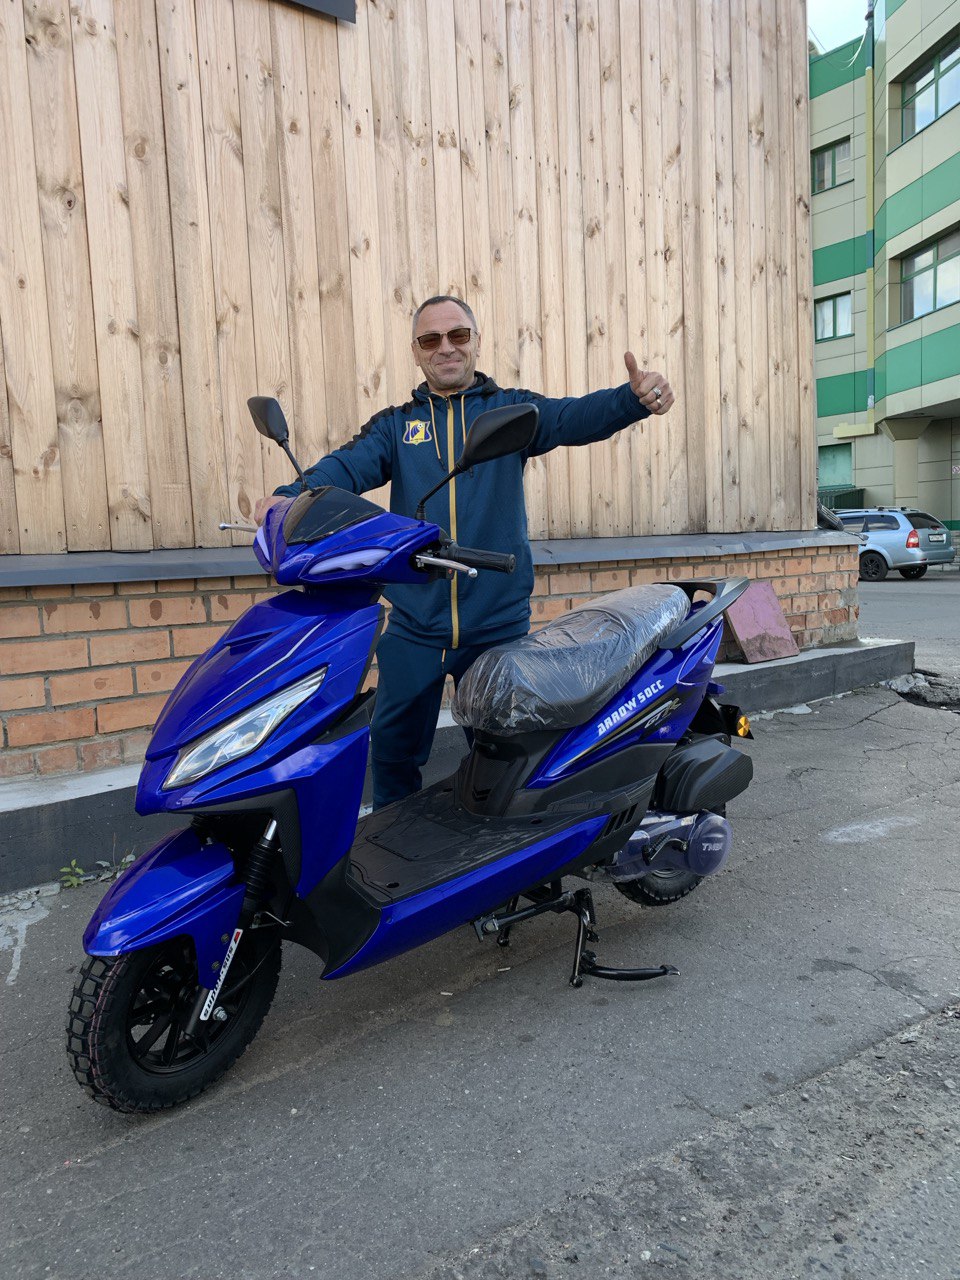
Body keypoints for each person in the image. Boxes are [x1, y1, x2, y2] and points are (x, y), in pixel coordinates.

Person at [254, 295, 675, 809]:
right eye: (431, 339)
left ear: (476, 342)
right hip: (414, 626)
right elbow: (346, 466)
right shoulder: (396, 426)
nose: (446, 348)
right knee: (392, 753)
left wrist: (632, 400)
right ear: (416, 351)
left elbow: (572, 417)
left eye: (458, 335)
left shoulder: (509, 411)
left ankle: (498, 849)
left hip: (496, 625)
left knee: (506, 760)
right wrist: (289, 499)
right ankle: (393, 848)